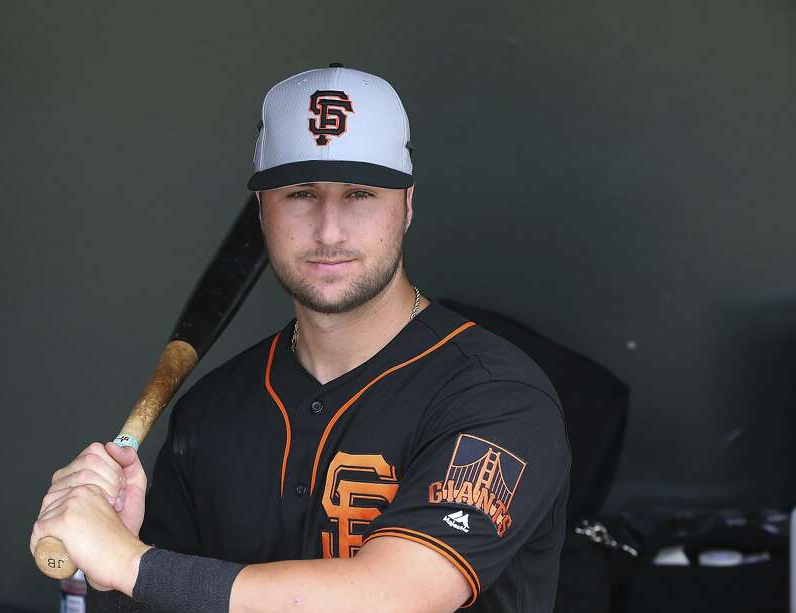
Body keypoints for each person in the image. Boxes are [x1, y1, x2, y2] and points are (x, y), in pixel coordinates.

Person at [30, 63, 571, 612]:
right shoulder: (212, 415)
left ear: (406, 205)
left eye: (360, 193)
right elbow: (158, 590)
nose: (329, 230)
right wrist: (114, 560)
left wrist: (129, 562)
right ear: (261, 212)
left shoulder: (497, 398)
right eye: (301, 194)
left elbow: (394, 598)